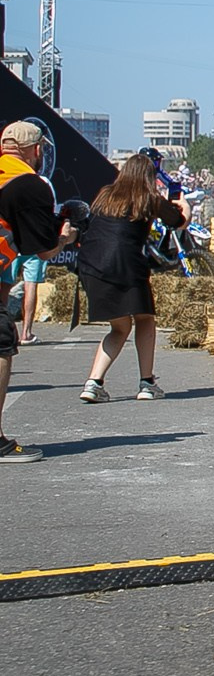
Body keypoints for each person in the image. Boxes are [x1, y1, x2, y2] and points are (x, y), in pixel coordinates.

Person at [76, 153, 190, 404]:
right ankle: (147, 383)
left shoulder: (105, 194)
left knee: (120, 327)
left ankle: (94, 382)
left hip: (92, 264)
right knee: (145, 320)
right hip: (126, 264)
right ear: (149, 177)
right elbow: (179, 223)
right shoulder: (148, 197)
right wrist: (184, 205)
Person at [1, 121, 77, 461]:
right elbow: (43, 251)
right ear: (35, 150)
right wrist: (65, 237)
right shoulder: (28, 184)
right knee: (3, 342)